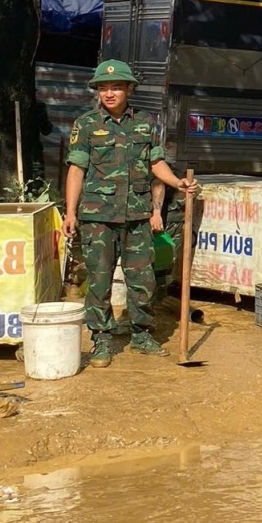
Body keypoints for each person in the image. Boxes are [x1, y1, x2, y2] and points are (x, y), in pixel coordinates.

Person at [64, 60, 197, 368]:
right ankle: (101, 339)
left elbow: (155, 163)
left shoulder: (145, 123)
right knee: (99, 281)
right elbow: (76, 169)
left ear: (129, 89)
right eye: (103, 88)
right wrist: (70, 212)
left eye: (116, 87)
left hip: (136, 216)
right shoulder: (86, 124)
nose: (109, 93)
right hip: (98, 217)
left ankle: (141, 334)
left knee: (143, 280)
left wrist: (178, 183)